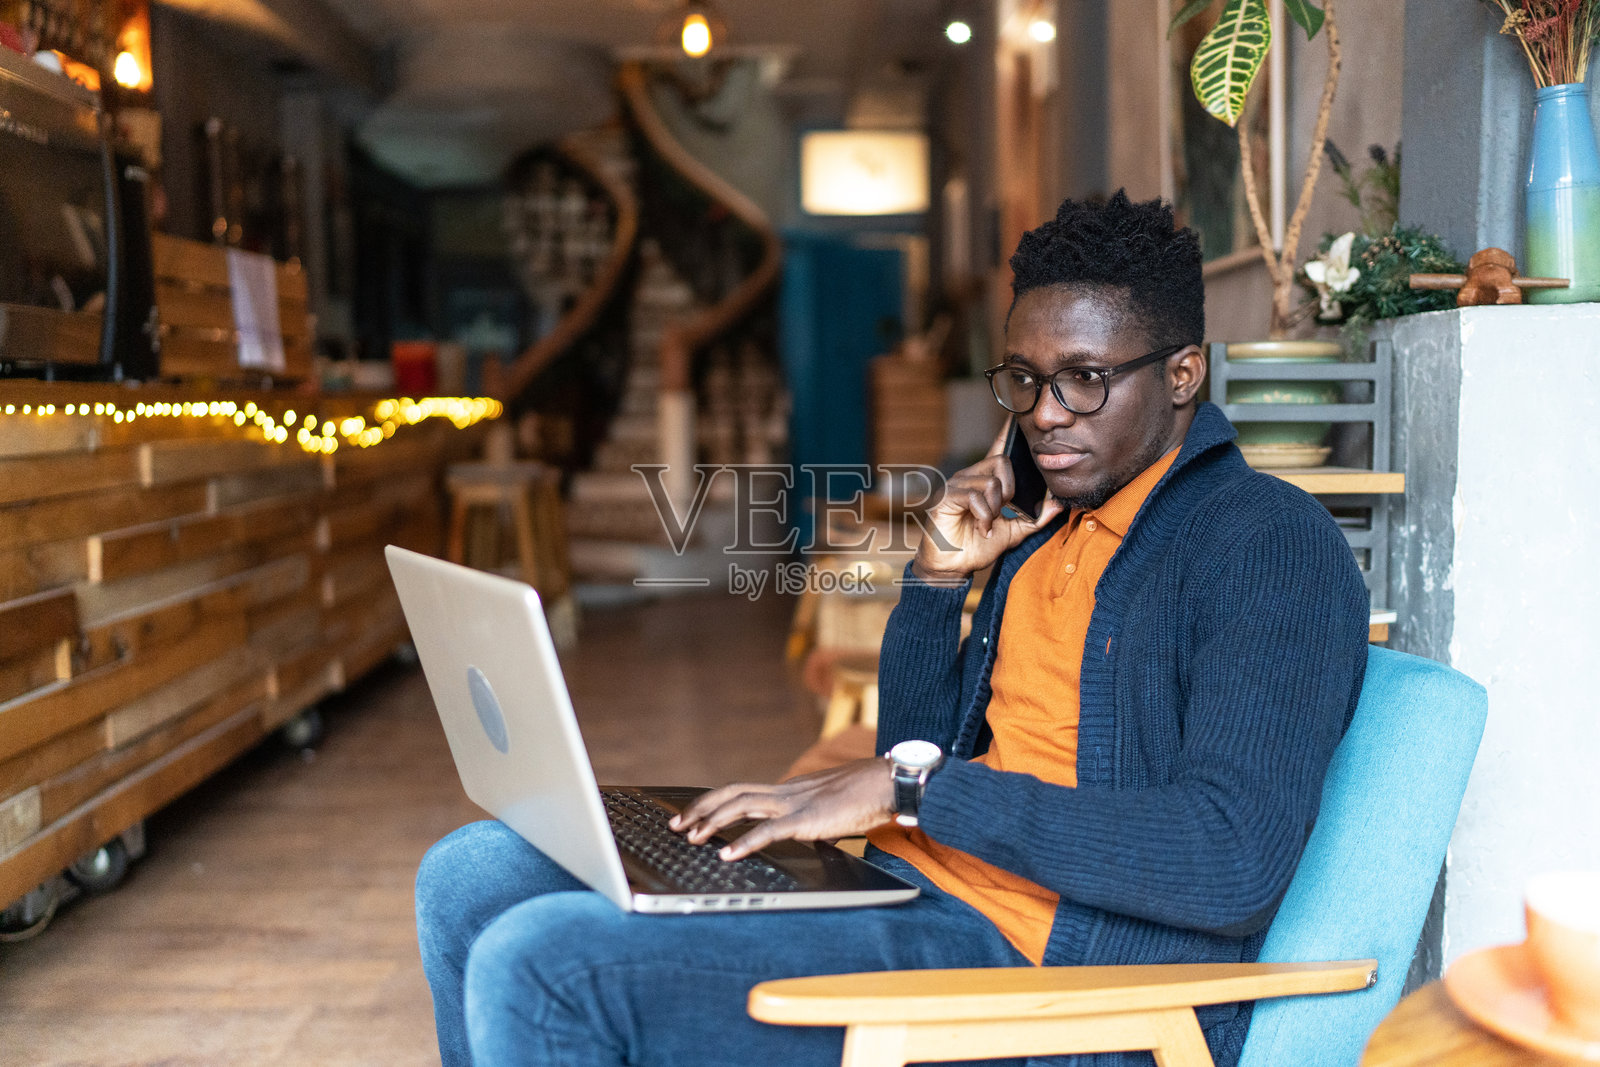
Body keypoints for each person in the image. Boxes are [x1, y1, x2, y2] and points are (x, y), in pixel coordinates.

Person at [414, 191, 1370, 1067]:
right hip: (910, 893)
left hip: (1046, 979)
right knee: (471, 876)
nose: (1045, 416)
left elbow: (1230, 858)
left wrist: (915, 789)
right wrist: (935, 583)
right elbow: (917, 746)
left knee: (544, 963)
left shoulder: (1265, 542)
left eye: (1084, 379)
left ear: (1183, 374)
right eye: (1025, 379)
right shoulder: (1046, 525)